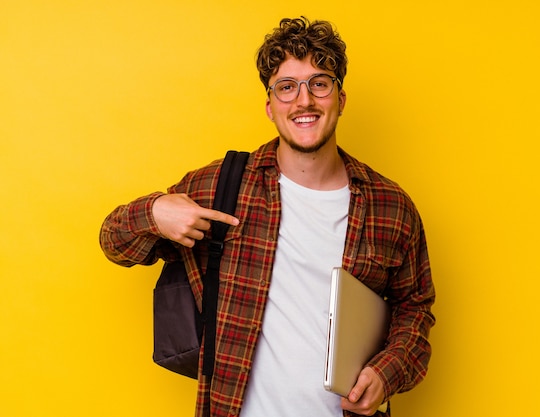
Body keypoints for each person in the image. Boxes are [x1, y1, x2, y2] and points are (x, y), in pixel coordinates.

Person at [100, 17, 435, 417]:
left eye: (320, 83)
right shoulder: (223, 186)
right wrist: (154, 212)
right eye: (287, 87)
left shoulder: (391, 207)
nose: (304, 100)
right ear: (270, 106)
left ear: (340, 100)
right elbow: (113, 241)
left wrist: (386, 373)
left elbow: (415, 310)